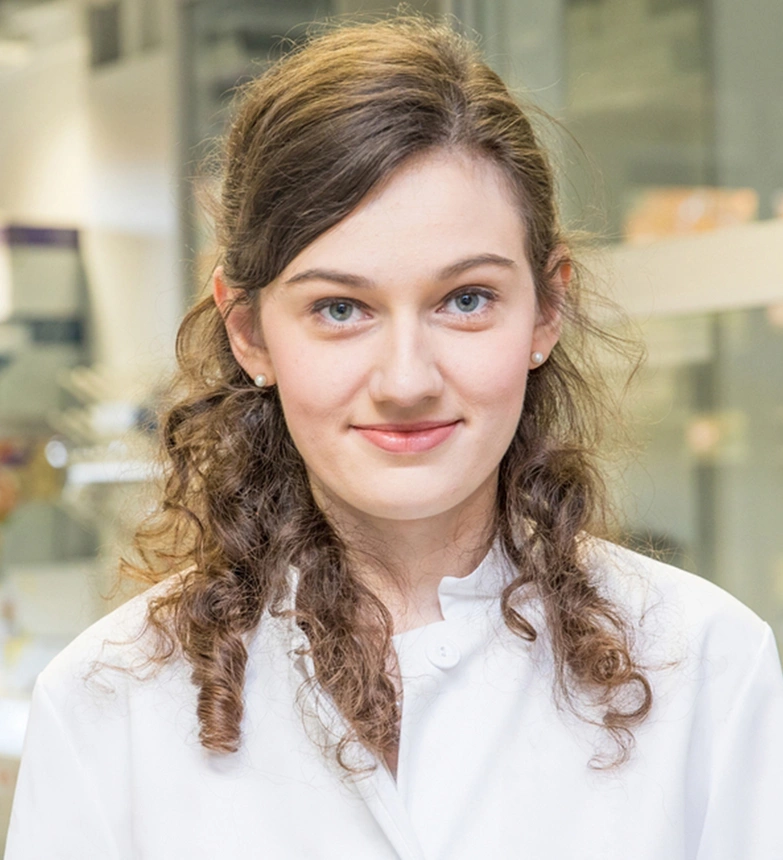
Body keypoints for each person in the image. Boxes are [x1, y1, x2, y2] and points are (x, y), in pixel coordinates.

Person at [6, 16, 783, 860]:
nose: (406, 379)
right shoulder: (107, 705)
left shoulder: (706, 666)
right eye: (339, 308)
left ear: (546, 309)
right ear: (250, 332)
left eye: (466, 300)